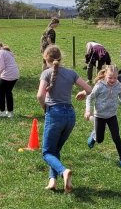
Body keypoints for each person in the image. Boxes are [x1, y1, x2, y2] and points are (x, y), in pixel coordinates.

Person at [37, 45, 92, 193]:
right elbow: (89, 90)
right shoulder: (71, 73)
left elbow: (40, 95)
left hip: (55, 114)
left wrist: (45, 107)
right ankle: (52, 181)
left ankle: (63, 171)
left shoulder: (46, 73)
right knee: (55, 149)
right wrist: (82, 93)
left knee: (47, 153)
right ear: (60, 58)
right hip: (70, 116)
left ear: (45, 58)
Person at [84, 65, 121, 168]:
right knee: (100, 139)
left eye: (115, 77)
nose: (113, 80)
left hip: (111, 116)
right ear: (105, 75)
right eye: (110, 77)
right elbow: (89, 98)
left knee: (116, 137)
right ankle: (94, 135)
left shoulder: (118, 85)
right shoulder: (99, 86)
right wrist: (88, 110)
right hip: (99, 116)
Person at [0, 39, 20, 118]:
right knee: (8, 92)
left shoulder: (0, 53)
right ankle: (10, 112)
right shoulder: (4, 51)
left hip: (9, 74)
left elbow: (1, 68)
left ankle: (2, 111)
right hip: (15, 74)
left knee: (0, 90)